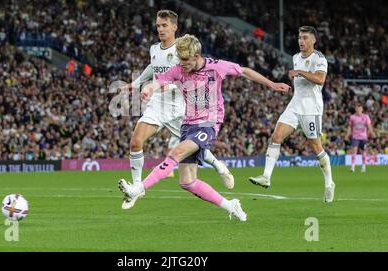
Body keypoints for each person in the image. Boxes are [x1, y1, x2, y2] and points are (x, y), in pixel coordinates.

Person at [118, 34, 290, 221]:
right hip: (188, 124)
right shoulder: (179, 69)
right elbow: (159, 81)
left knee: (175, 153)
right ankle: (231, 205)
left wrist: (272, 84)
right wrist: (148, 88)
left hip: (208, 123)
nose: (181, 64)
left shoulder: (216, 66)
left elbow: (245, 71)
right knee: (187, 181)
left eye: (185, 60)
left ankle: (138, 189)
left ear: (197, 55)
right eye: (180, 60)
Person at [121, 10, 233, 210]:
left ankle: (218, 165)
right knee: (136, 141)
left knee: (194, 147)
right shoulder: (154, 48)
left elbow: (187, 77)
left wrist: (168, 86)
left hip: (181, 106)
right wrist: (136, 83)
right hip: (158, 104)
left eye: (164, 26)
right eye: (158, 26)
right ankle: (137, 188)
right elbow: (153, 67)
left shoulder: (183, 50)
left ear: (174, 27)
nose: (160, 29)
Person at [249, 26, 336, 203]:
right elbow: (301, 83)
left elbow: (320, 80)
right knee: (276, 136)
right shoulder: (296, 57)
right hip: (295, 105)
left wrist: (300, 73)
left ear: (313, 40)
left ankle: (329, 183)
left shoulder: (319, 58)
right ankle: (266, 176)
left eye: (304, 38)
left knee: (316, 148)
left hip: (311, 108)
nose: (301, 41)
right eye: (299, 38)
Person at [347, 102, 376, 173]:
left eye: (360, 108)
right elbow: (350, 127)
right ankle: (353, 167)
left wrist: (372, 133)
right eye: (357, 108)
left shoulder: (366, 116)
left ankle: (363, 167)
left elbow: (369, 126)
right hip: (355, 137)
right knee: (354, 150)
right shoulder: (352, 117)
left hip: (363, 137)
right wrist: (347, 134)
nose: (359, 109)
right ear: (355, 109)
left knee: (364, 152)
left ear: (362, 109)